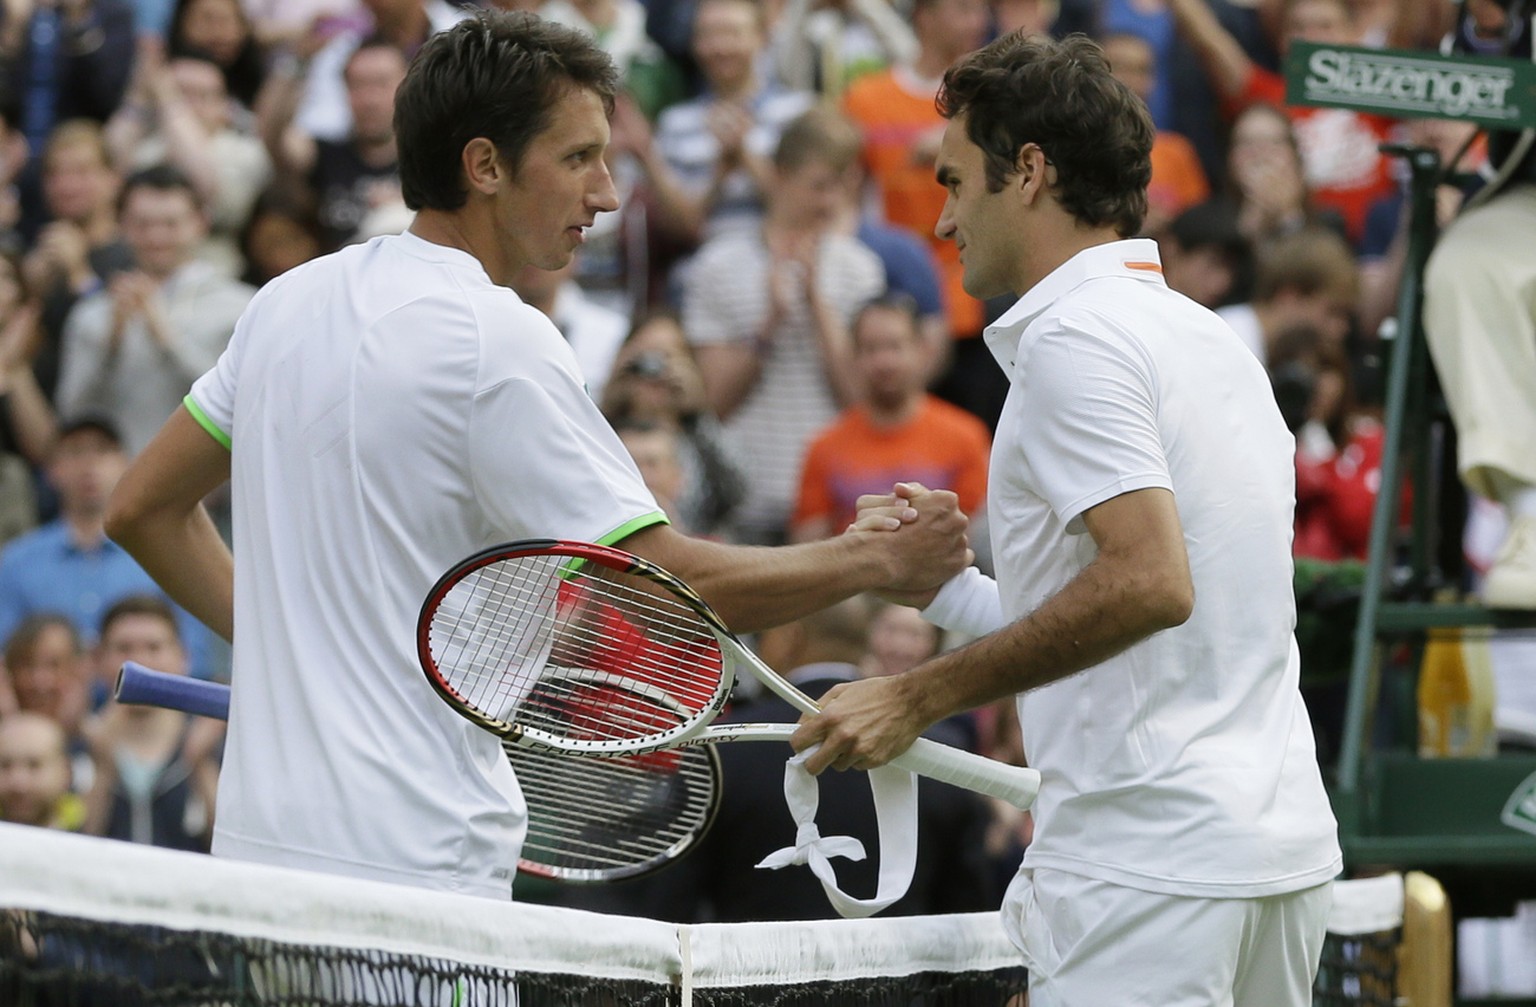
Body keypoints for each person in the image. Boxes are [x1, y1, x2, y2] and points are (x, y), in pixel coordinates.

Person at [102, 10, 969, 900]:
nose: (606, 192)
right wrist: (871, 557)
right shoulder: (499, 339)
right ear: (484, 166)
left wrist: (297, 655)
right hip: (416, 881)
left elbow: (141, 509)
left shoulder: (286, 302)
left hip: (257, 864)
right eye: (578, 157)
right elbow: (662, 584)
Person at [792, 33, 1340, 1004]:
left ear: (1031, 172)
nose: (947, 216)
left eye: (958, 181)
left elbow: (1147, 583)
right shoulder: (1207, 338)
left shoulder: (1074, 340)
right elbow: (1152, 619)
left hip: (1151, 875)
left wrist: (916, 693)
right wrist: (951, 592)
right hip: (1272, 861)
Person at [683, 106, 885, 544]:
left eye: (842, 186)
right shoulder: (717, 267)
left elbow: (861, 400)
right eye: (818, 185)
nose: (829, 202)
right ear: (779, 176)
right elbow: (714, 401)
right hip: (744, 499)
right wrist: (769, 323)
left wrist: (817, 306)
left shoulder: (860, 269)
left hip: (833, 502)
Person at [55, 164, 257, 456]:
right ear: (122, 225)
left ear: (200, 223)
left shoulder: (240, 307)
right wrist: (110, 345)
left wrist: (165, 336)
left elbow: (244, 406)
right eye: (143, 224)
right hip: (117, 487)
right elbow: (70, 416)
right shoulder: (92, 315)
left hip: (211, 489)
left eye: (171, 224)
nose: (156, 237)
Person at [791, 293, 990, 544]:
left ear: (922, 349)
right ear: (854, 356)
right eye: (871, 348)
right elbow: (809, 547)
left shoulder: (966, 436)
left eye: (895, 346)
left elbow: (975, 535)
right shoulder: (823, 447)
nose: (884, 362)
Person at [85, 594, 221, 850]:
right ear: (97, 660)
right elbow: (69, 852)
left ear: (184, 658)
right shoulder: (77, 744)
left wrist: (201, 765)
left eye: (154, 648)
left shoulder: (215, 743)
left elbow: (233, 855)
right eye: (124, 649)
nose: (140, 663)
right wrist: (102, 769)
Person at [0, 710, 86, 830]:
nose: (18, 783)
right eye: (5, 765)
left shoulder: (96, 837)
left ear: (66, 773)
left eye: (34, 765)